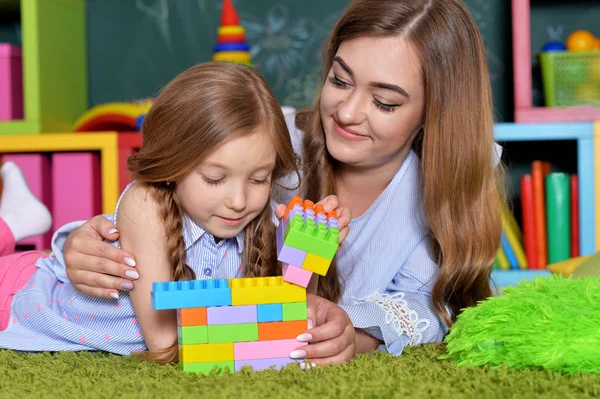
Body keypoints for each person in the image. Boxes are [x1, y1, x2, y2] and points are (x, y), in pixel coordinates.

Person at [60, 0, 505, 365]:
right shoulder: (272, 144)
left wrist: (352, 329)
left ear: (435, 112)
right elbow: (161, 210)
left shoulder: (442, 181)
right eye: (340, 80)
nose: (348, 112)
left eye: (385, 102)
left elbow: (433, 303)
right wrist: (79, 244)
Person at [0, 61, 349, 364]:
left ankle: (15, 219)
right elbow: (164, 342)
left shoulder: (263, 219)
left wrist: (310, 249)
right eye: (215, 178)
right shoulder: (146, 204)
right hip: (14, 297)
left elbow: (286, 318)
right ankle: (12, 222)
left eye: (259, 179)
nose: (240, 200)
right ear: (173, 165)